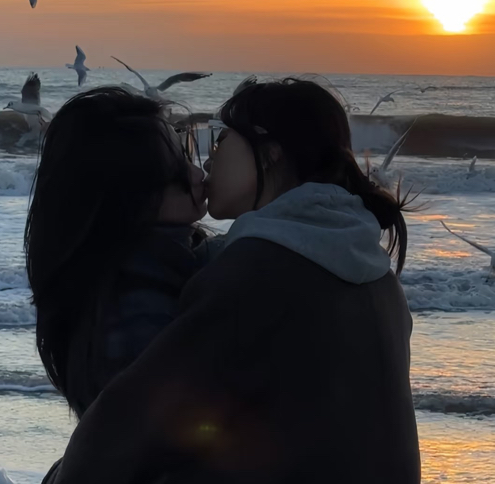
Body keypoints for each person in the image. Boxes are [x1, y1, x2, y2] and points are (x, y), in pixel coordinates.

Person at [47, 78, 420, 484]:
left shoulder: (255, 271)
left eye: (221, 139)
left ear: (271, 152)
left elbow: (122, 424)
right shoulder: (375, 271)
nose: (206, 162)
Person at [25, 87, 210, 420]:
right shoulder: (136, 310)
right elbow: (176, 431)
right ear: (129, 194)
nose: (198, 174)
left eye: (187, 153)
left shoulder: (158, 268)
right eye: (175, 170)